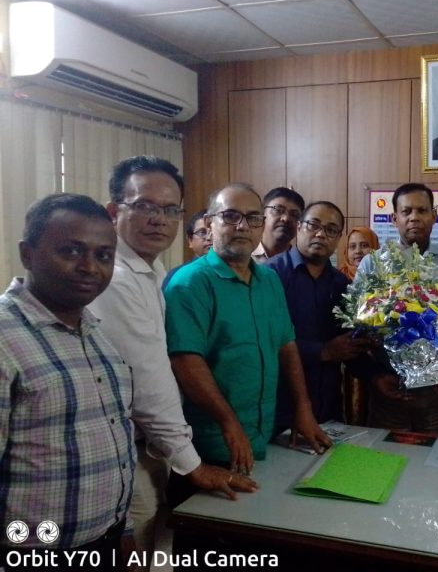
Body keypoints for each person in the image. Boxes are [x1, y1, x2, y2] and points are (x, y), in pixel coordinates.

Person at [89, 157, 257, 568]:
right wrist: (192, 465)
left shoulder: (150, 268)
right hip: (127, 447)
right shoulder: (117, 278)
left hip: (150, 444)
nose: (159, 220)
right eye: (145, 206)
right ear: (114, 211)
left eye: (169, 210)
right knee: (141, 547)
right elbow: (150, 380)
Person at [164, 183, 331, 487]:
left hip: (262, 433)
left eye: (253, 218)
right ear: (210, 223)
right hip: (210, 442)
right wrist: (229, 422)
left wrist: (302, 410)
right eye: (230, 216)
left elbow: (286, 345)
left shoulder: (268, 279)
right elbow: (185, 361)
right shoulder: (189, 283)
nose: (242, 226)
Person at [0, 194, 134, 571]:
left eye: (104, 256)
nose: (90, 267)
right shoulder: (4, 339)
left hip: (106, 543)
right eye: (71, 251)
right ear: (28, 254)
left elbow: (117, 442)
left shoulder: (97, 335)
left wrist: (126, 531)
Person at [356, 183, 438, 435]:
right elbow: (357, 323)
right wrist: (376, 374)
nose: (414, 218)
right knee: (385, 462)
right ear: (394, 218)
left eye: (422, 211)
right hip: (390, 388)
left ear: (434, 216)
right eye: (406, 211)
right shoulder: (372, 265)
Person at [268, 201, 372, 433]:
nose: (320, 234)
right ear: (298, 227)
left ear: (338, 238)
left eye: (331, 230)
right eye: (313, 225)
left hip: (329, 406)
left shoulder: (341, 284)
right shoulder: (270, 275)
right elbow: (265, 340)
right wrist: (323, 351)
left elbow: (348, 342)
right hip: (279, 408)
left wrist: (378, 376)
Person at [251, 186, 304, 264]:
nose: (286, 218)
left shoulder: (300, 263)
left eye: (294, 215)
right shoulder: (244, 255)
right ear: (262, 213)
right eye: (278, 210)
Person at [163, 209, 210, 289]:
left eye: (214, 232)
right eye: (202, 232)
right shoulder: (178, 275)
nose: (209, 237)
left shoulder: (233, 273)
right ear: (190, 240)